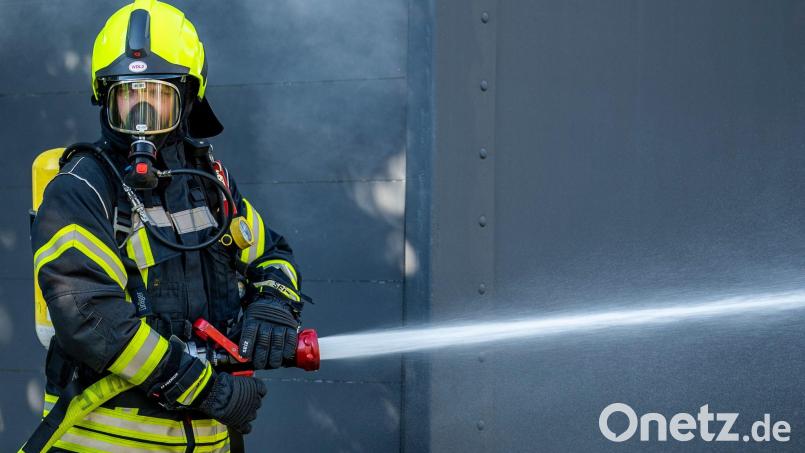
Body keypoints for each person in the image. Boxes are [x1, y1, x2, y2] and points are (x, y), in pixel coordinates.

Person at [25, 1, 307, 451]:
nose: (141, 113)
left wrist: (274, 305)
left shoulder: (211, 184)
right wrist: (208, 389)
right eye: (127, 95)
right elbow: (90, 316)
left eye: (157, 95)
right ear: (106, 99)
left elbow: (271, 255)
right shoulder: (81, 188)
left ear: (188, 98)